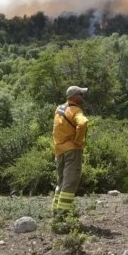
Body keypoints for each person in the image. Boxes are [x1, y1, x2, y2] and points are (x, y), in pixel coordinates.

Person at [51, 85, 89, 223]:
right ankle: (62, 216)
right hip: (72, 151)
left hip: (59, 151)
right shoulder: (75, 110)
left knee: (61, 183)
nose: (82, 97)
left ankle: (56, 213)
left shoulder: (59, 109)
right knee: (70, 182)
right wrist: (78, 141)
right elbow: (83, 123)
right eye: (80, 94)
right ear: (73, 97)